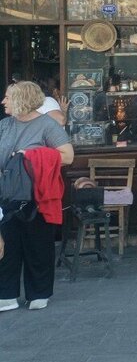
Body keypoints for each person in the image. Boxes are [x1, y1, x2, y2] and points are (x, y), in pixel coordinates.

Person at [0, 81, 74, 312]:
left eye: (8, 98)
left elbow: (68, 156)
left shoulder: (47, 125)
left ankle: (39, 293)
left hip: (38, 195)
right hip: (7, 193)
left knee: (38, 245)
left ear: (22, 99)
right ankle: (6, 294)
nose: (4, 102)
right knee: (7, 245)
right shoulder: (4, 125)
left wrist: (32, 156)